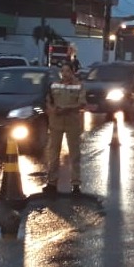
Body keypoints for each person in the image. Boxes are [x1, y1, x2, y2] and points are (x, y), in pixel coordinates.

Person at [44, 63, 86, 195]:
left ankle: (76, 184)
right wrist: (52, 110)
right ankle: (51, 183)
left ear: (73, 72)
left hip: (72, 122)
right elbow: (48, 101)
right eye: (62, 71)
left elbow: (82, 103)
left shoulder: (79, 85)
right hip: (56, 122)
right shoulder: (54, 84)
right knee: (53, 153)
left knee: (74, 154)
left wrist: (67, 108)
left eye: (67, 71)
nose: (65, 73)